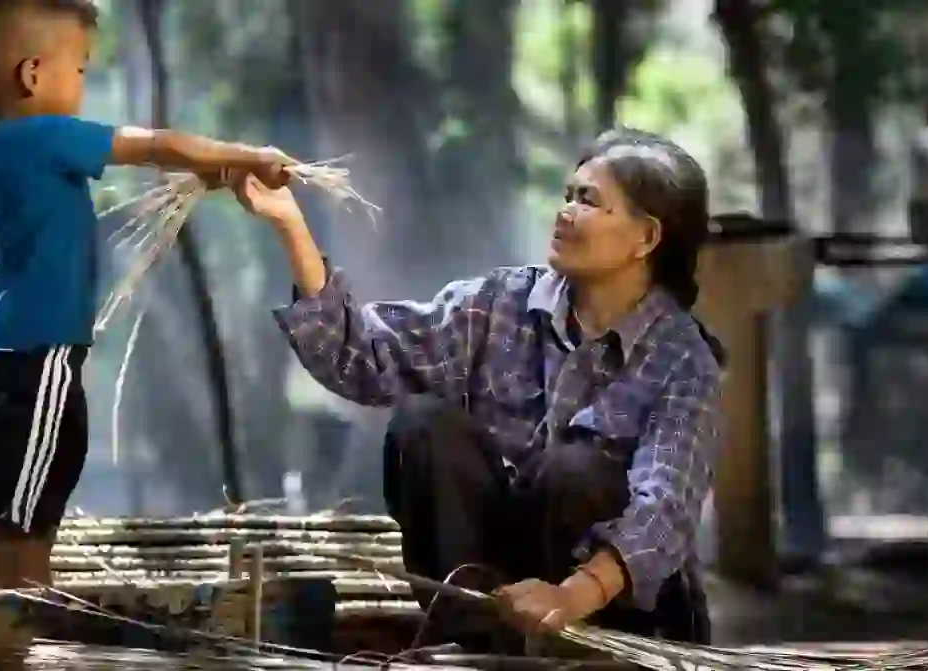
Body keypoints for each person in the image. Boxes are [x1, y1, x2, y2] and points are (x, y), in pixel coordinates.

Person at [234, 128, 724, 648]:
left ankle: (569, 650)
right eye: (567, 196)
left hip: (614, 620)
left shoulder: (684, 360)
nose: (564, 212)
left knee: (574, 469)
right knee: (423, 425)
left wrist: (571, 597)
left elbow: (664, 508)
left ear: (646, 238)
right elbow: (364, 357)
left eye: (588, 201)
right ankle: (474, 643)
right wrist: (290, 224)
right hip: (499, 600)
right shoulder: (498, 303)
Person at [0, 0, 292, 593]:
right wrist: (248, 156)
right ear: (32, 75)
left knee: (24, 522)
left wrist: (210, 172)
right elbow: (157, 145)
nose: (83, 85)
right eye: (79, 69)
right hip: (37, 355)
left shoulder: (1, 146)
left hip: (22, 353)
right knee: (9, 532)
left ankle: (20, 623)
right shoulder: (42, 136)